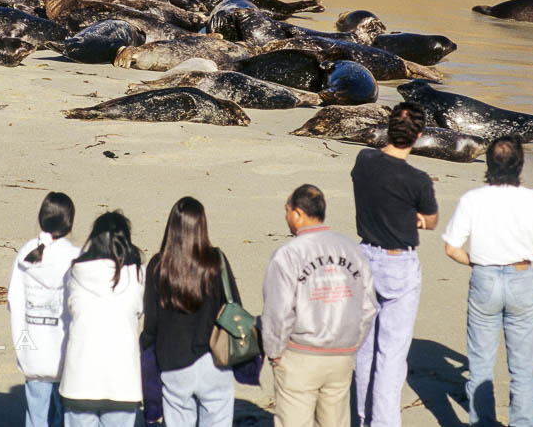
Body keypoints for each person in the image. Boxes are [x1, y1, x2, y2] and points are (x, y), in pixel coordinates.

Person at [442, 136, 533, 427]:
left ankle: (482, 423)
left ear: (488, 164)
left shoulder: (472, 199)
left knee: (481, 365)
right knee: (523, 367)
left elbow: (451, 248)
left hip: (485, 278)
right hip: (521, 276)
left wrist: (475, 262)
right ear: (520, 165)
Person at [350, 102, 439, 427]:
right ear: (418, 136)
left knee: (365, 351)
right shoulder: (417, 179)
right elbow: (430, 221)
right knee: (390, 356)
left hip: (364, 259)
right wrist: (413, 216)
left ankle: (362, 419)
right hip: (397, 263)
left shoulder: (364, 160)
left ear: (388, 129)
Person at [262, 184, 377, 427]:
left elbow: (278, 312)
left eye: (287, 211)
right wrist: (353, 342)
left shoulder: (288, 254)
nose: (286, 217)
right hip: (342, 356)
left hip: (301, 354)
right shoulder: (352, 250)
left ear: (297, 213)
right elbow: (369, 307)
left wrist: (274, 353)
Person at [140, 197, 240, 427]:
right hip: (214, 360)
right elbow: (234, 308)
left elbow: (151, 324)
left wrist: (146, 350)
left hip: (174, 363)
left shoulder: (158, 265)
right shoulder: (216, 261)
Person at [59, 211, 144, 427]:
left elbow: (70, 308)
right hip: (122, 382)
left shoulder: (75, 271)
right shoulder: (137, 275)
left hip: (79, 380)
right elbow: (140, 310)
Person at [9, 192, 81, 427]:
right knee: (65, 415)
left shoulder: (27, 253)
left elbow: (14, 299)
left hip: (33, 351)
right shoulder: (74, 257)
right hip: (64, 351)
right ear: (70, 222)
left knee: (36, 416)